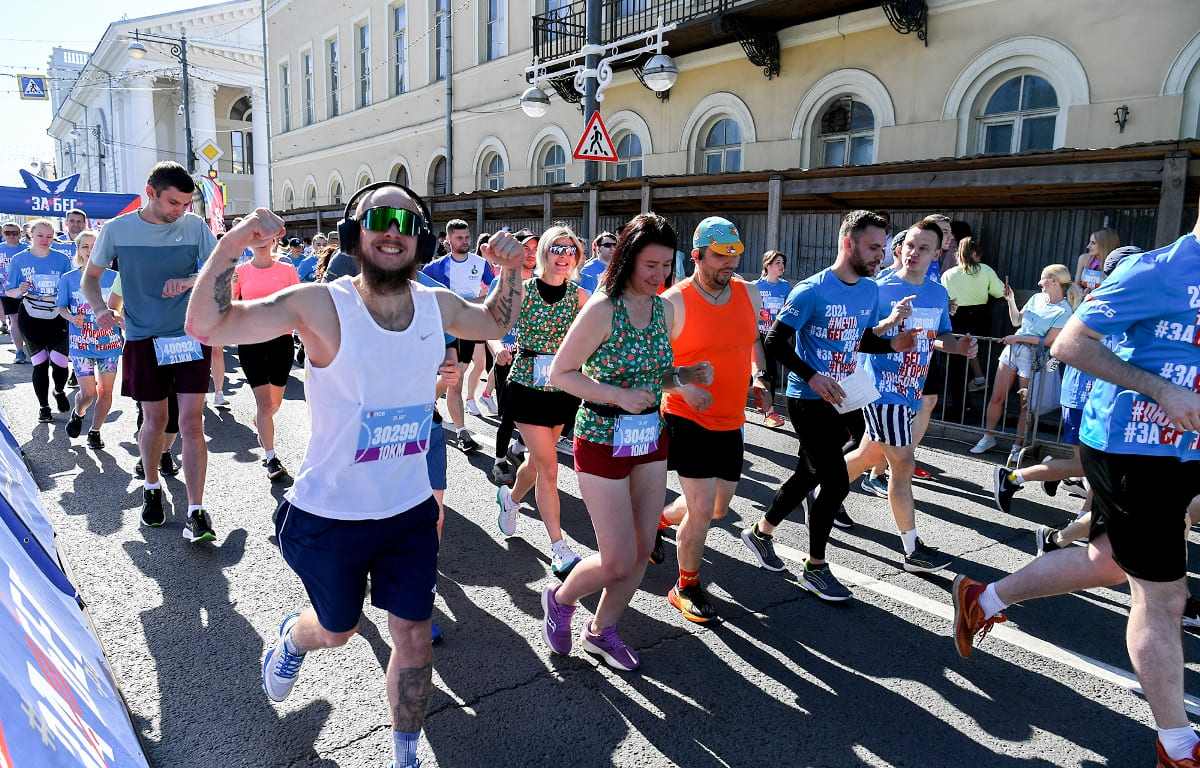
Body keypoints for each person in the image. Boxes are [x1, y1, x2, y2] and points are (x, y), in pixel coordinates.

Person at [186, 181, 526, 768]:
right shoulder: (321, 303)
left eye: (406, 219)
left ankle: (404, 751)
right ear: (354, 234)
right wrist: (234, 243)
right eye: (379, 219)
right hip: (331, 514)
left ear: (419, 237)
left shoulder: (435, 303)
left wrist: (513, 269)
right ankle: (295, 637)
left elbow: (495, 322)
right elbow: (207, 326)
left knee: (414, 637)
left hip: (410, 510)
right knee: (338, 631)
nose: (392, 229)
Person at [951, 198, 1200, 768]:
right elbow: (1069, 344)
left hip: (1188, 449)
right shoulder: (1156, 270)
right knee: (1163, 594)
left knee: (1111, 561)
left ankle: (982, 598)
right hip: (1134, 447)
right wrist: (1162, 390)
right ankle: (1178, 744)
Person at [542, 212, 712, 670]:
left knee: (641, 550)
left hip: (649, 439)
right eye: (650, 265)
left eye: (665, 266)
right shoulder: (602, 308)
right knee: (617, 559)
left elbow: (654, 376)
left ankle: (601, 631)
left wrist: (684, 378)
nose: (659, 276)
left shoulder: (663, 308)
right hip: (600, 438)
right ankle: (560, 597)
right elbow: (562, 374)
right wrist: (617, 395)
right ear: (627, 259)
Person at [740, 210, 916, 601]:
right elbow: (775, 343)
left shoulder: (869, 291)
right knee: (834, 481)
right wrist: (812, 375)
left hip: (848, 393)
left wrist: (891, 343)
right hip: (809, 398)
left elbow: (860, 338)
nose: (880, 256)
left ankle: (761, 532)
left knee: (811, 471)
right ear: (847, 243)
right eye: (873, 248)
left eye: (883, 248)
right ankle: (815, 568)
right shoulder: (811, 290)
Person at [83, 161, 218, 542]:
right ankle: (152, 489)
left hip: (190, 335)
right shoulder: (116, 230)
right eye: (174, 202)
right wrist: (99, 310)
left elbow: (223, 269)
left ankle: (196, 510)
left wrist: (190, 280)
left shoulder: (193, 227)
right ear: (151, 192)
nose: (181, 211)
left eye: (186, 204)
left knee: (192, 422)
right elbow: (90, 279)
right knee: (154, 419)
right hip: (143, 338)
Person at [839, 220, 977, 572]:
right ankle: (913, 549)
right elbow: (858, 334)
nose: (915, 253)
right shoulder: (876, 288)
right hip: (881, 390)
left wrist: (959, 346)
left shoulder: (937, 293)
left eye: (924, 248)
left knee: (868, 455)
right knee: (902, 464)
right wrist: (888, 324)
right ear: (899, 248)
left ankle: (818, 488)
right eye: (911, 245)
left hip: (912, 389)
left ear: (937, 254)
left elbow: (941, 335)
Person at [656, 216, 770, 624]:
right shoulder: (674, 302)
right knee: (702, 511)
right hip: (688, 417)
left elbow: (751, 339)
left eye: (734, 256)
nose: (729, 264)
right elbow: (651, 372)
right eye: (720, 256)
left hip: (731, 419)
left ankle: (658, 520)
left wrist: (760, 376)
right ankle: (685, 585)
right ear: (697, 255)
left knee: (718, 509)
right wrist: (683, 386)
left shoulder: (751, 294)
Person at [993, 245, 1144, 519]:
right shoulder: (1098, 303)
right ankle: (1019, 480)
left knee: (1098, 465)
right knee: (1095, 465)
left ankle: (1083, 517)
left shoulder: (1128, 303)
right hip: (1082, 396)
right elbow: (1060, 347)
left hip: (1103, 397)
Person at [495, 225, 589, 574]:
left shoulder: (581, 297)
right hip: (526, 385)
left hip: (563, 390)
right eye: (557, 249)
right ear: (545, 253)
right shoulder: (524, 290)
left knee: (537, 464)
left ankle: (511, 497)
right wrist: (498, 349)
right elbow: (495, 326)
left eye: (570, 250)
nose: (564, 256)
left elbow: (597, 337)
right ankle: (559, 546)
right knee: (549, 468)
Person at [971, 264, 1081, 462]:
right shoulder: (1036, 298)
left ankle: (1017, 446)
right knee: (997, 396)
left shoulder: (1064, 310)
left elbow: (1048, 341)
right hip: (1013, 351)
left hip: (1031, 357)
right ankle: (987, 437)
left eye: (1042, 278)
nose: (1039, 283)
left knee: (1025, 405)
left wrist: (1018, 339)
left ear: (1054, 280)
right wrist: (1011, 300)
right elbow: (1016, 321)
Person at [232, 234, 301, 480]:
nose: (261, 241)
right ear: (248, 243)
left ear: (274, 241)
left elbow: (299, 302)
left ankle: (261, 422)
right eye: (255, 237)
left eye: (266, 237)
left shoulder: (286, 269)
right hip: (251, 342)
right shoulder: (239, 271)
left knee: (274, 405)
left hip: (281, 342)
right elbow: (230, 305)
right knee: (264, 405)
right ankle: (271, 458)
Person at [422, 218, 493, 452]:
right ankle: (463, 432)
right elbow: (425, 298)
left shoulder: (480, 264)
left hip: (471, 327)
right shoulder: (435, 268)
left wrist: (472, 303)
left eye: (467, 237)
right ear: (448, 240)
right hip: (448, 331)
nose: (465, 242)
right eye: (459, 238)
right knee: (456, 379)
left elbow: (492, 294)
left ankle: (426, 400)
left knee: (462, 372)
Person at [55, 230, 122, 448]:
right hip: (81, 344)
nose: (90, 250)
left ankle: (95, 431)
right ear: (79, 250)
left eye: (95, 245)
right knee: (88, 392)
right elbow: (60, 307)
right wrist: (71, 317)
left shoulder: (115, 277)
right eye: (85, 246)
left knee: (106, 391)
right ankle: (78, 413)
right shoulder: (69, 278)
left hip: (109, 343)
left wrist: (119, 316)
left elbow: (122, 307)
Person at [6, 218, 74, 422]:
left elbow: (70, 286)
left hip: (56, 315)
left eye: (49, 236)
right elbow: (9, 291)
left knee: (61, 363)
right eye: (40, 235)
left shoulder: (62, 259)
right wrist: (20, 290)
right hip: (31, 315)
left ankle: (59, 391)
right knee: (40, 364)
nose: (45, 240)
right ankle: (44, 407)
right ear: (30, 236)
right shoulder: (19, 259)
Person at [488, 229, 537, 485]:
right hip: (508, 359)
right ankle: (499, 462)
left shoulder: (543, 282)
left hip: (533, 360)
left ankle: (517, 449)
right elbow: (488, 324)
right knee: (508, 417)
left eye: (534, 249)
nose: (530, 254)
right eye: (525, 248)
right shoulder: (503, 282)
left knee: (536, 414)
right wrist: (498, 350)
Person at [941, 236, 1006, 394]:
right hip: (979, 316)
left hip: (955, 316)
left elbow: (944, 297)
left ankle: (969, 389)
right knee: (972, 349)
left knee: (958, 357)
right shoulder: (985, 270)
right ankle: (978, 379)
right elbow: (1000, 292)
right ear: (975, 253)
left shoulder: (948, 274)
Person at [752, 249, 791, 429]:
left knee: (772, 374)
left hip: (774, 337)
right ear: (767, 265)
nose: (782, 266)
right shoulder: (756, 286)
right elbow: (749, 310)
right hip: (757, 337)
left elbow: (789, 310)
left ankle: (769, 412)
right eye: (778, 263)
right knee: (755, 374)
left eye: (782, 263)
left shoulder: (785, 287)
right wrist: (758, 314)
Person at [0, 222, 29, 360]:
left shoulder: (28, 249)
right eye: (7, 233)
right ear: (3, 234)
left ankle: (34, 347)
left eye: (14, 233)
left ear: (20, 234)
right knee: (15, 319)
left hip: (29, 290)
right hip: (7, 290)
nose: (11, 236)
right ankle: (19, 351)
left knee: (29, 319)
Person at [1074, 227, 1119, 294]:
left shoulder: (1117, 263)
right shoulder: (1083, 259)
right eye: (1090, 242)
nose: (1088, 246)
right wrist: (1081, 291)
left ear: (1104, 245)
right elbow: (1076, 284)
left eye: (1093, 243)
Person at [578, 231, 616, 295]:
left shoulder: (620, 268)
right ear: (598, 248)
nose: (612, 248)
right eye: (607, 245)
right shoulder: (586, 270)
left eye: (615, 245)